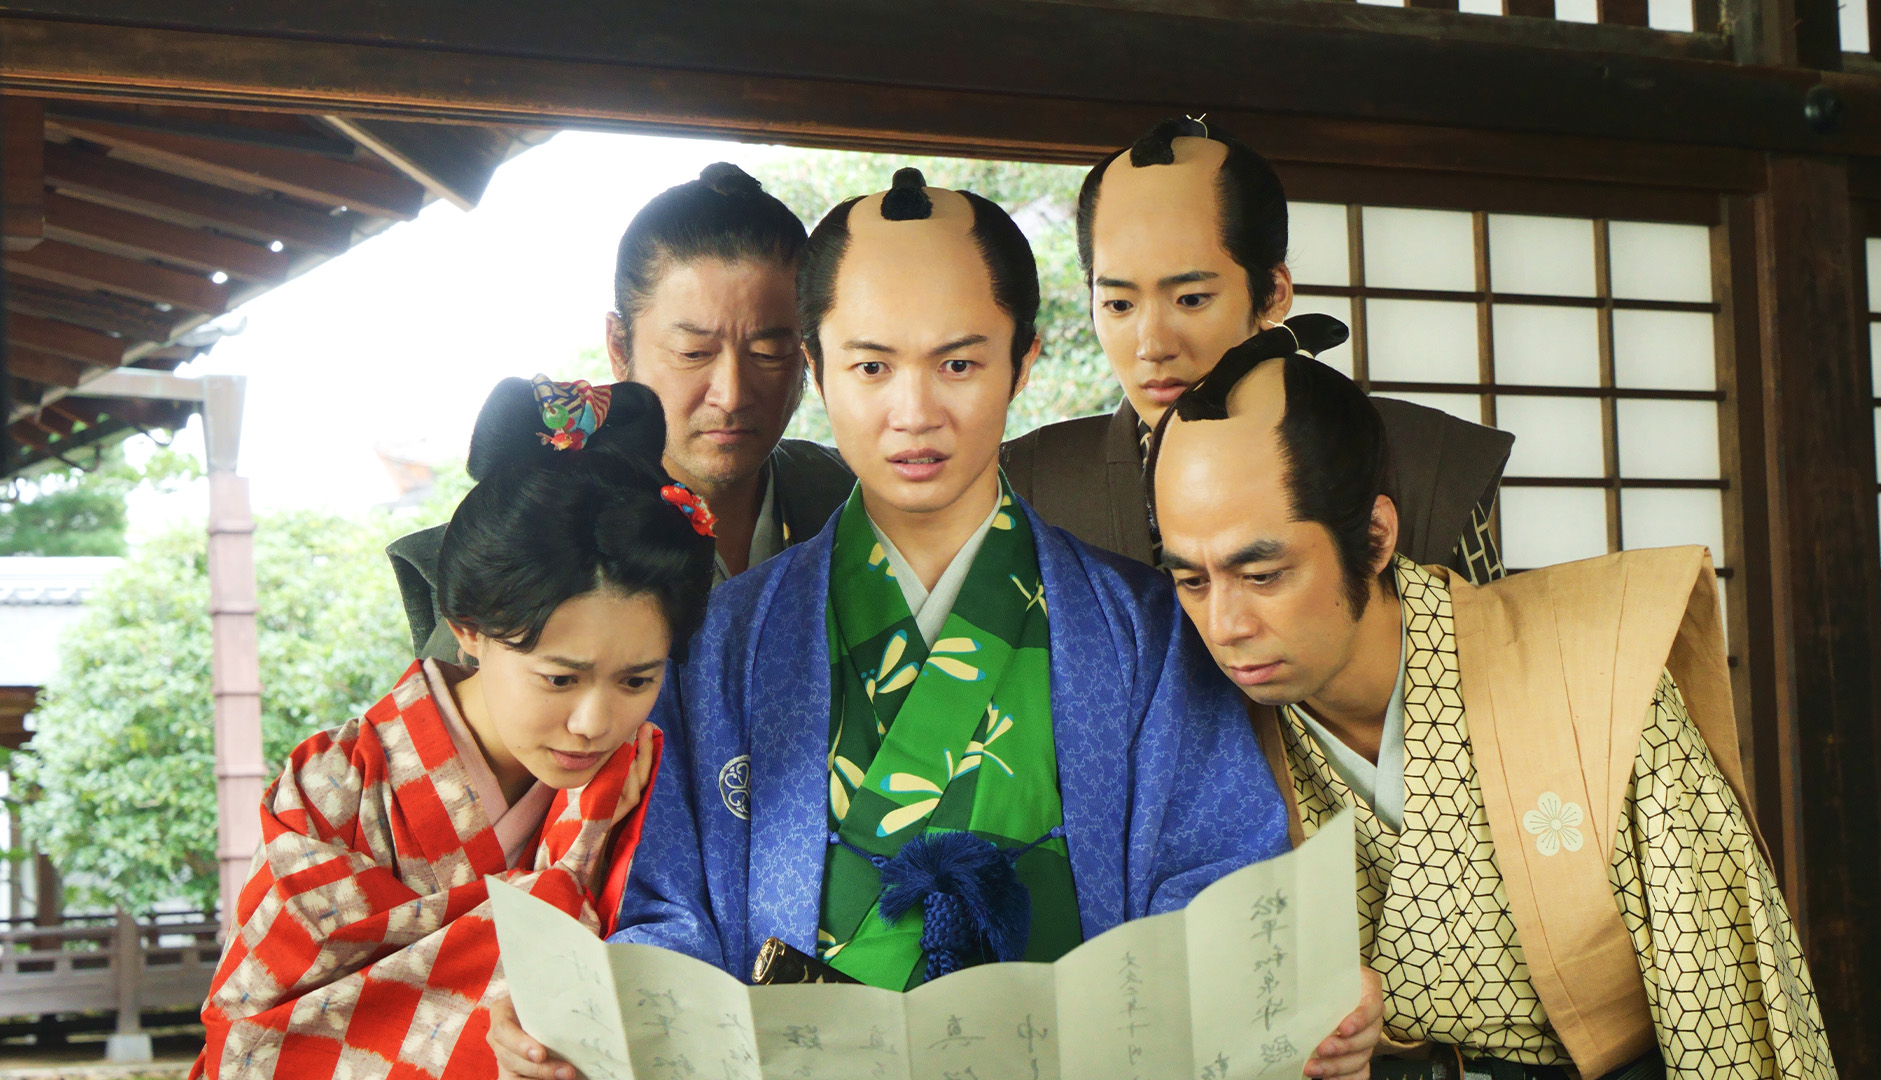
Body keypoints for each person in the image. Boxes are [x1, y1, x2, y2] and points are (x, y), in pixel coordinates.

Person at [493, 170, 1382, 1080]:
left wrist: (1290, 997)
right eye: (871, 367)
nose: (913, 414)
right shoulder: (719, 638)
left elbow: (1216, 880)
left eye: (958, 364)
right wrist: (592, 1016)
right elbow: (670, 911)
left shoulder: (1146, 627)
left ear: (1023, 361)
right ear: (816, 368)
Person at [1147, 328, 1836, 1080]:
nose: (1226, 626)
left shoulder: (1590, 670)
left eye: (1262, 575)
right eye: (1192, 581)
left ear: (1374, 538)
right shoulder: (1203, 720)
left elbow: (1722, 996)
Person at [195, 378, 714, 1079]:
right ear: (468, 629)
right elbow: (253, 1033)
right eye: (560, 679)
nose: (595, 724)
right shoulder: (332, 789)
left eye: (636, 681)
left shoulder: (649, 776)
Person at [1004, 117, 1511, 581]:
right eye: (1119, 304)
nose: (1153, 345)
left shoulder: (1420, 463)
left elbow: (1493, 644)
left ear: (1273, 294)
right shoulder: (1031, 482)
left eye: (1191, 299)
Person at [389, 162, 854, 661]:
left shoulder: (852, 500)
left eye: (769, 353)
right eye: (693, 353)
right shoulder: (529, 533)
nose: (732, 394)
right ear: (618, 346)